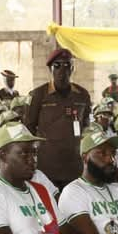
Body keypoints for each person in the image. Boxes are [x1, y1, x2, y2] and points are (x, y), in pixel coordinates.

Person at [27, 49, 91, 190]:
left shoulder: (82, 95)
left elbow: (86, 126)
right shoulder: (39, 94)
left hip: (74, 163)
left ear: (72, 69)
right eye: (57, 65)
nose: (62, 70)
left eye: (67, 65)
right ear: (50, 69)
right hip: (48, 164)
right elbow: (29, 127)